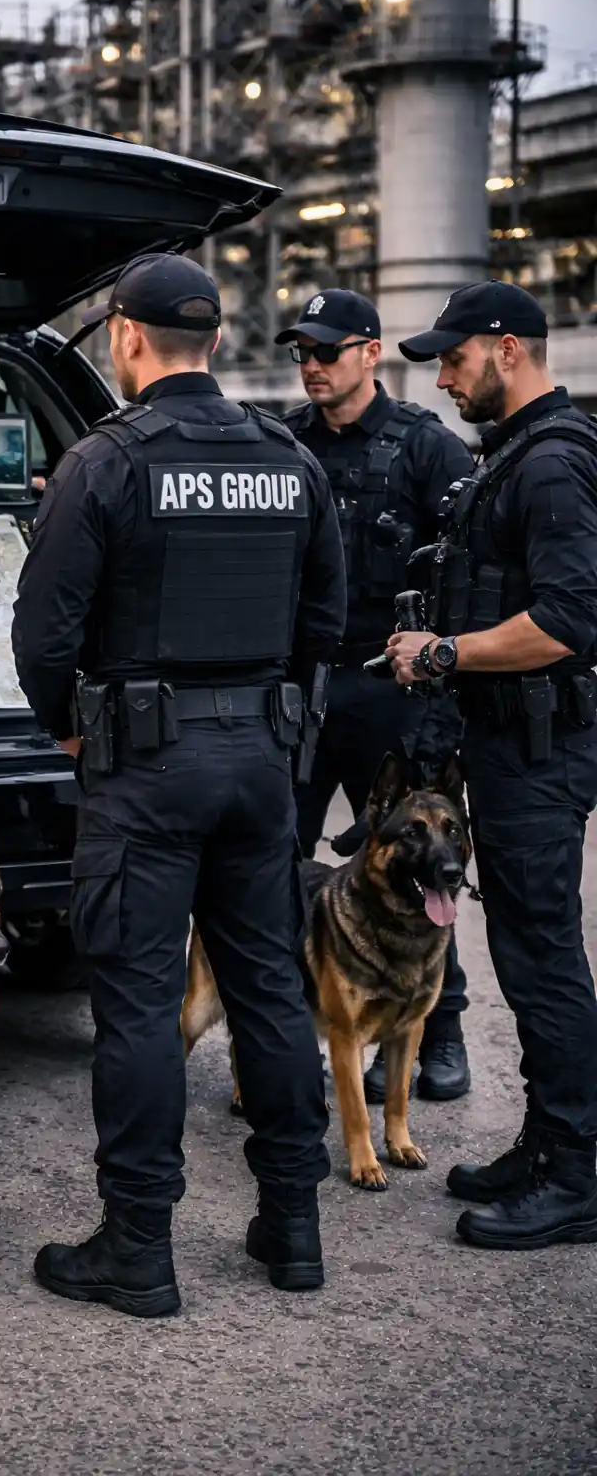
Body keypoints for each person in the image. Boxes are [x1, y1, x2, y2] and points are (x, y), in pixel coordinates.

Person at [12, 253, 347, 1315]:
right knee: (270, 991)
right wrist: (275, 719)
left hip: (146, 770)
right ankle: (293, 1227)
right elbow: (327, 618)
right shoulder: (287, 458)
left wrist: (73, 729)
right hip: (260, 763)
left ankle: (138, 1247)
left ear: (124, 337)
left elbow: (43, 637)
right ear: (211, 340)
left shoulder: (105, 462)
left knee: (140, 1007)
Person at [387, 280, 597, 1251]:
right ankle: (547, 1144)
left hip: (539, 752)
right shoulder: (515, 454)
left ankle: (577, 1174)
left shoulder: (551, 464)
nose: (443, 378)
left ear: (507, 349)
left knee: (544, 962)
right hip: (508, 745)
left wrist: (443, 653)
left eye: (454, 357)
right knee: (522, 953)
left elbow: (567, 621)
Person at [275, 289, 477, 1104]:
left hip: (391, 690)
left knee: (422, 867)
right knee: (272, 864)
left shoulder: (426, 447)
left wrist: (444, 670)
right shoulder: (281, 442)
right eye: (303, 352)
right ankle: (286, 1037)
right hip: (300, 683)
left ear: (369, 352)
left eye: (327, 350)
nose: (312, 365)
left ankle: (441, 1033)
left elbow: (472, 567)